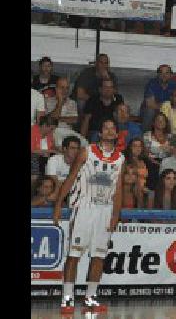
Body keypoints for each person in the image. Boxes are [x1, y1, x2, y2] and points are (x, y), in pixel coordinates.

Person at [53, 119, 125, 313]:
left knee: (99, 255)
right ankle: (67, 299)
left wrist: (115, 215)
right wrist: (59, 204)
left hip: (105, 209)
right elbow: (70, 177)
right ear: (100, 133)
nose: (109, 130)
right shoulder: (88, 151)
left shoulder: (120, 158)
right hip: (84, 207)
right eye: (106, 127)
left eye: (113, 128)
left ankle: (90, 298)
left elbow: (118, 189)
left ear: (116, 134)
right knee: (74, 254)